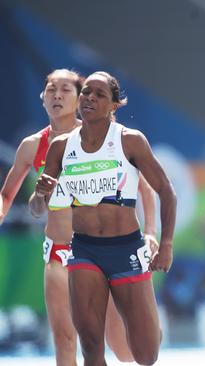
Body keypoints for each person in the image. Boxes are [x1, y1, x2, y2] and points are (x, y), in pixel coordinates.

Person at [0, 69, 158, 365]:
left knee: (123, 348)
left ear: (80, 98)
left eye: (65, 90)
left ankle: (148, 327)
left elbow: (146, 189)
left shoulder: (104, 138)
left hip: (105, 251)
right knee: (65, 338)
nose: (56, 95)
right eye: (50, 90)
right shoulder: (32, 145)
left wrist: (150, 233)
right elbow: (7, 196)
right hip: (61, 252)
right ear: (42, 99)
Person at [34, 71, 176, 365]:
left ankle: (149, 325)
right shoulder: (61, 146)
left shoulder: (130, 141)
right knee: (90, 344)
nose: (89, 98)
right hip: (84, 250)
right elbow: (38, 208)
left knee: (145, 354)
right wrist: (40, 194)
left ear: (114, 105)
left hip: (126, 249)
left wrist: (165, 244)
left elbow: (165, 191)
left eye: (99, 94)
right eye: (86, 92)